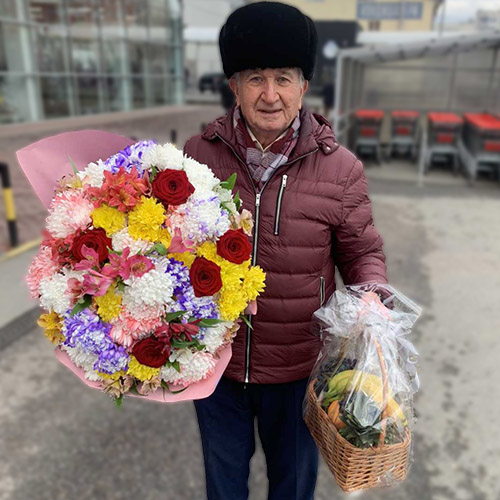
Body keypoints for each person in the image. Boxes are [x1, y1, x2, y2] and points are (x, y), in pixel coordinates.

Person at [183, 2, 387, 499]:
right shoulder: (195, 157)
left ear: (304, 85)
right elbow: (167, 247)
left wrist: (372, 293)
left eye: (283, 78)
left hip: (299, 368)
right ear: (233, 86)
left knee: (294, 487)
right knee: (223, 485)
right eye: (255, 78)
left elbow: (362, 252)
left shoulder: (340, 169)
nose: (270, 94)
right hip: (216, 364)